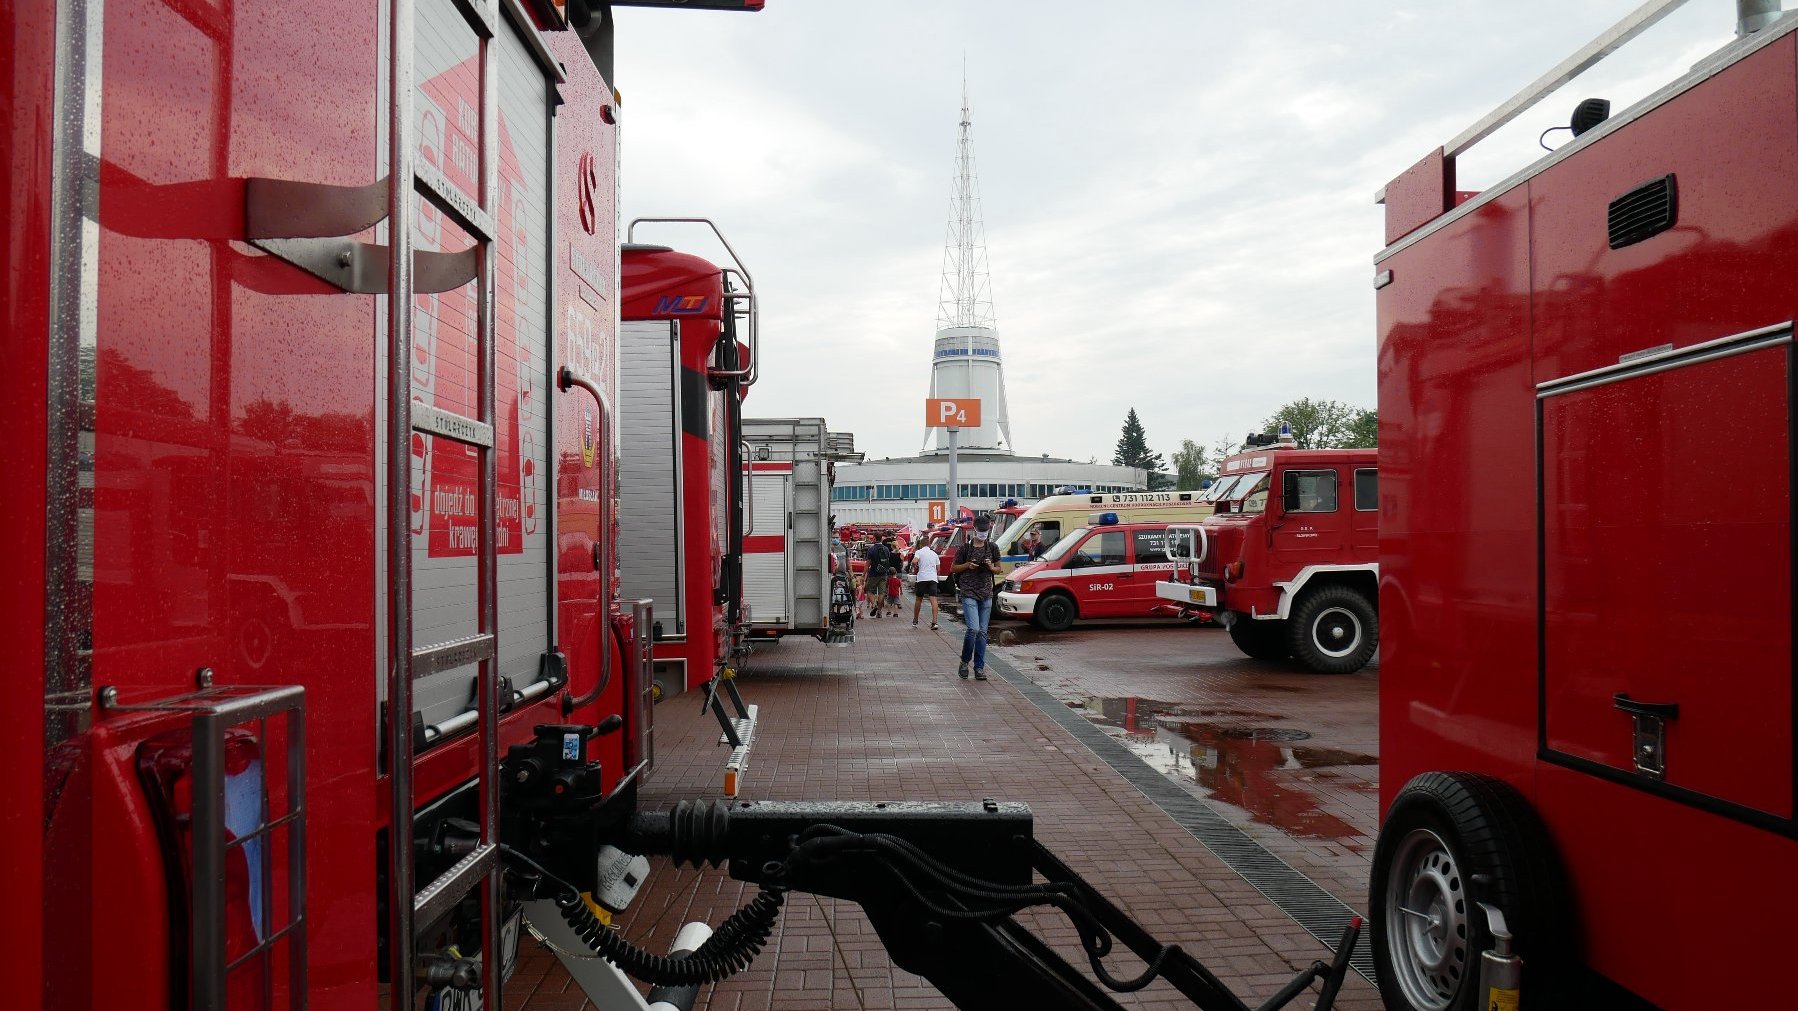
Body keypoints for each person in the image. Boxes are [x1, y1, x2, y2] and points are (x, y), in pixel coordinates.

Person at [950, 515, 1003, 680]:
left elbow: (999, 569)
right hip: (969, 591)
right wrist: (968, 565)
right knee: (973, 629)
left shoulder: (993, 547)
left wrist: (990, 567)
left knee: (983, 632)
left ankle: (979, 667)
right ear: (975, 529)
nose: (983, 533)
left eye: (985, 530)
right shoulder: (965, 548)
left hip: (986, 592)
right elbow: (953, 568)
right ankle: (965, 662)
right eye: (980, 531)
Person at [910, 536, 942, 630]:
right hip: (932, 578)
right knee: (933, 600)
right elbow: (938, 569)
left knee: (919, 599)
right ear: (929, 544)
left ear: (920, 544)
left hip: (922, 578)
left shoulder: (919, 552)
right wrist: (935, 575)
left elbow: (914, 561)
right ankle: (934, 622)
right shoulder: (934, 554)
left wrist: (915, 566)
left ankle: (915, 620)